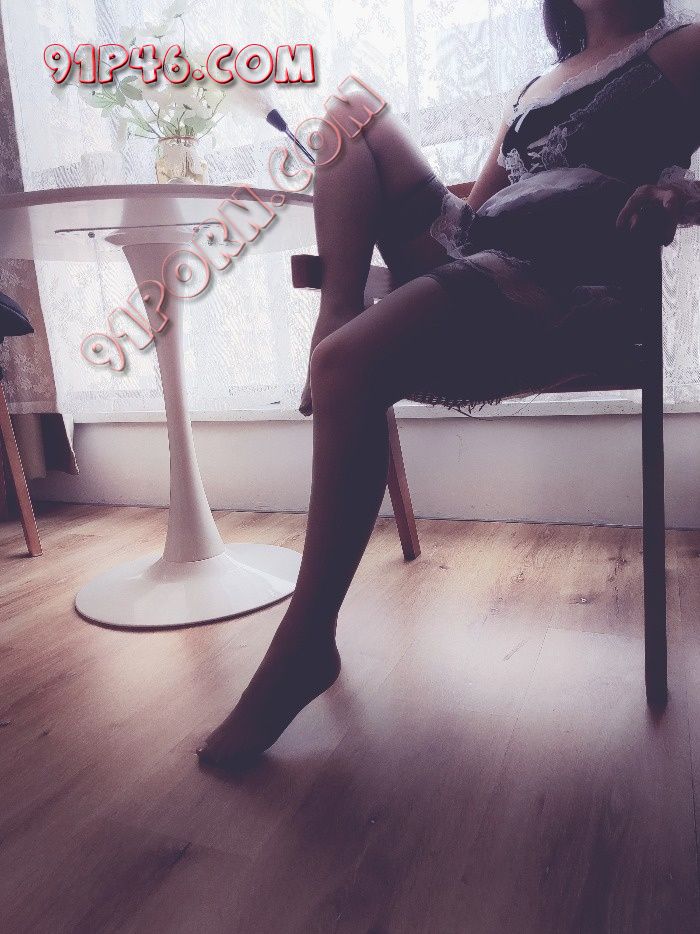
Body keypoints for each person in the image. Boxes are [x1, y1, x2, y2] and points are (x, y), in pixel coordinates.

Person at [197, 0, 700, 767]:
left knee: (343, 367)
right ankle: (335, 315)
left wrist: (678, 194)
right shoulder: (538, 84)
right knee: (347, 109)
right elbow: (476, 214)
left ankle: (305, 642)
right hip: (491, 248)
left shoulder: (683, 47)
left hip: (568, 276)